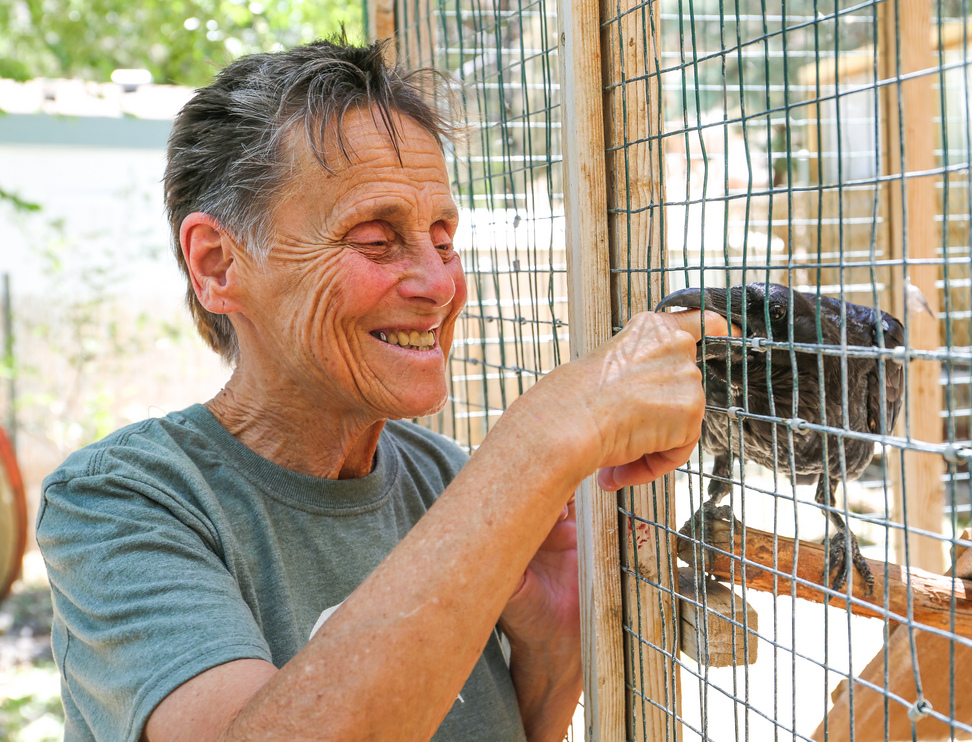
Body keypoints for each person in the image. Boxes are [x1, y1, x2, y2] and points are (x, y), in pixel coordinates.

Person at [36, 36, 724, 742]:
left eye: (443, 238)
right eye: (376, 240)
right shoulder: (122, 502)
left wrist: (550, 657)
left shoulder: (444, 481)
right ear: (217, 265)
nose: (438, 285)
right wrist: (543, 435)